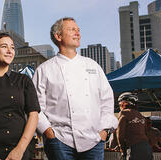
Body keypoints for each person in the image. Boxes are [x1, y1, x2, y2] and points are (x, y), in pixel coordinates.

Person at [32, 17, 118, 160]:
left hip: (94, 140)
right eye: (72, 29)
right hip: (59, 140)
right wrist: (48, 132)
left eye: (78, 30)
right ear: (58, 36)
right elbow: (36, 106)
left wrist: (104, 132)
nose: (77, 33)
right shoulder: (44, 69)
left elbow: (107, 101)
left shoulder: (93, 66)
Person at [116, 92, 153, 160]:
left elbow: (120, 135)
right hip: (147, 148)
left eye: (121, 104)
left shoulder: (124, 113)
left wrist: (122, 150)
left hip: (134, 148)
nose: (120, 106)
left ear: (125, 103)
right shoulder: (140, 115)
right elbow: (147, 133)